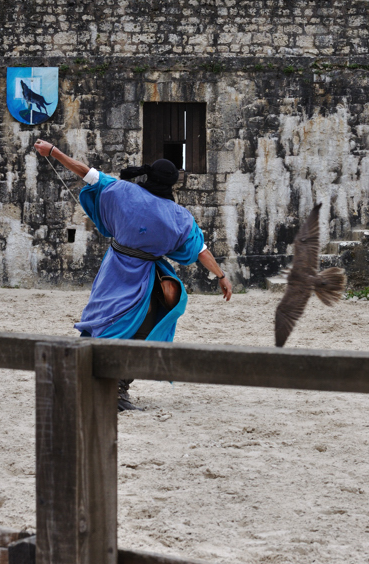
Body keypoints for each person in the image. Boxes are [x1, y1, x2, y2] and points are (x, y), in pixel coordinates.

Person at [34, 140, 232, 410]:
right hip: (142, 279)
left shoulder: (121, 190)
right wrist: (221, 276)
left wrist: (52, 152)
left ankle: (85, 381)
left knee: (101, 321)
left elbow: (84, 171)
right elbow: (201, 251)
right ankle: (115, 390)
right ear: (172, 183)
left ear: (149, 175)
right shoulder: (179, 217)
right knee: (142, 328)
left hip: (112, 270)